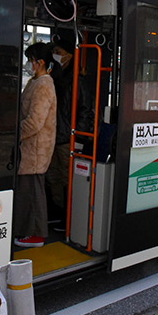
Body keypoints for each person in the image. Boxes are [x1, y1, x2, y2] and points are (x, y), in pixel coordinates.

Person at [46, 38, 94, 232]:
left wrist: (77, 136)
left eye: (58, 50)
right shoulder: (56, 76)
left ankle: (69, 219)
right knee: (54, 179)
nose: (55, 54)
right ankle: (60, 215)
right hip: (55, 137)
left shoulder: (77, 80)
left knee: (67, 180)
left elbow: (85, 111)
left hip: (68, 139)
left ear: (69, 54)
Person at [14, 42, 57, 248]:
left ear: (39, 62)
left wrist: (14, 134)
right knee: (29, 190)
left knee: (33, 191)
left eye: (30, 60)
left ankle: (36, 235)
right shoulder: (36, 81)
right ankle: (28, 231)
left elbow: (35, 122)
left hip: (36, 148)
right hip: (31, 148)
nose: (28, 64)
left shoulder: (43, 85)